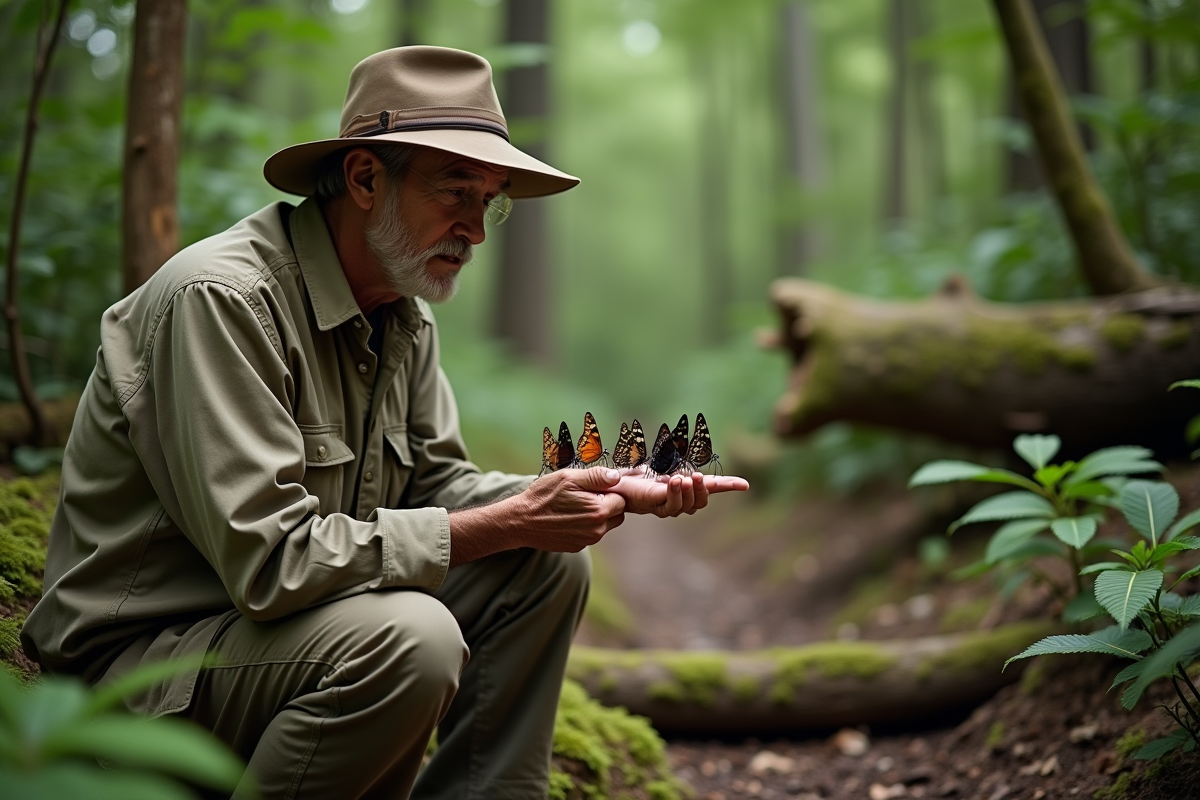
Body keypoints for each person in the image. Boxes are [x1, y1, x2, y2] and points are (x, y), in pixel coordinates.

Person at [22, 46, 747, 799]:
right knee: (414, 640)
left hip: (291, 639)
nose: (477, 229)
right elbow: (274, 565)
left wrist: (593, 490)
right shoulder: (221, 301)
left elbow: (437, 484)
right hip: (139, 680)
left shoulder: (402, 316)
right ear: (366, 178)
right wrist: (509, 520)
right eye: (456, 191)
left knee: (543, 563)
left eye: (492, 199)